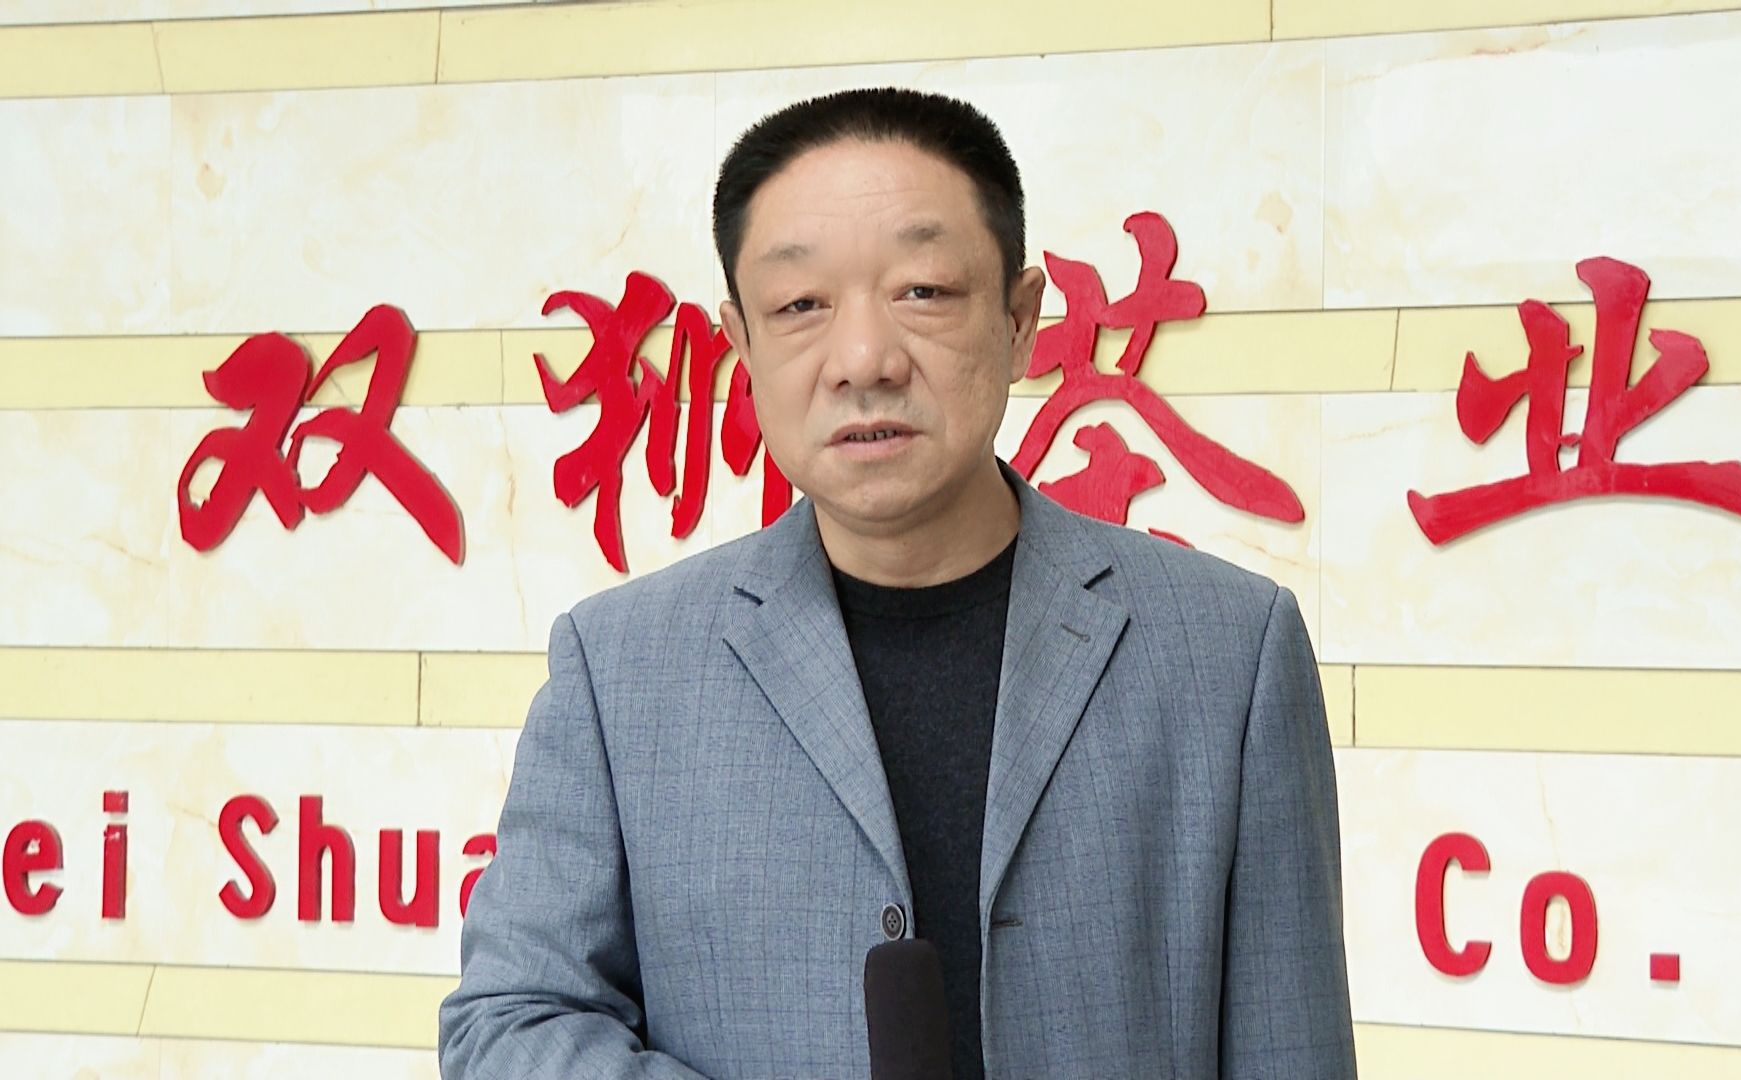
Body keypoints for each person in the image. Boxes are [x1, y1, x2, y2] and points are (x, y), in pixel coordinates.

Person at [440, 86, 1353, 1080]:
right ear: (742, 345)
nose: (863, 359)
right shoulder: (621, 668)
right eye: (800, 306)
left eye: (922, 291)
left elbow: (1290, 1048)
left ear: (1019, 318)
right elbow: (509, 1023)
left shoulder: (1229, 651)